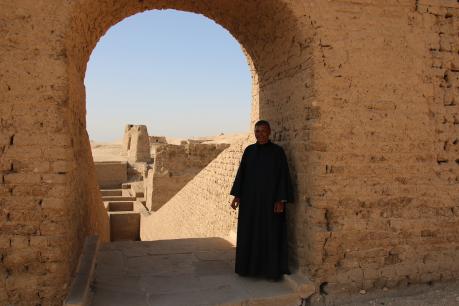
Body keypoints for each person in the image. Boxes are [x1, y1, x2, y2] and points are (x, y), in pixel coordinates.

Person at [230, 120, 293, 280]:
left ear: (269, 132)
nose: (260, 134)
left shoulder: (277, 152)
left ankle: (271, 271)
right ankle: (248, 269)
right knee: (249, 234)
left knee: (270, 234)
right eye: (257, 131)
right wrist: (237, 196)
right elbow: (242, 174)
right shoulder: (249, 151)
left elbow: (283, 177)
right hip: (250, 203)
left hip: (270, 203)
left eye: (263, 131)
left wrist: (280, 200)